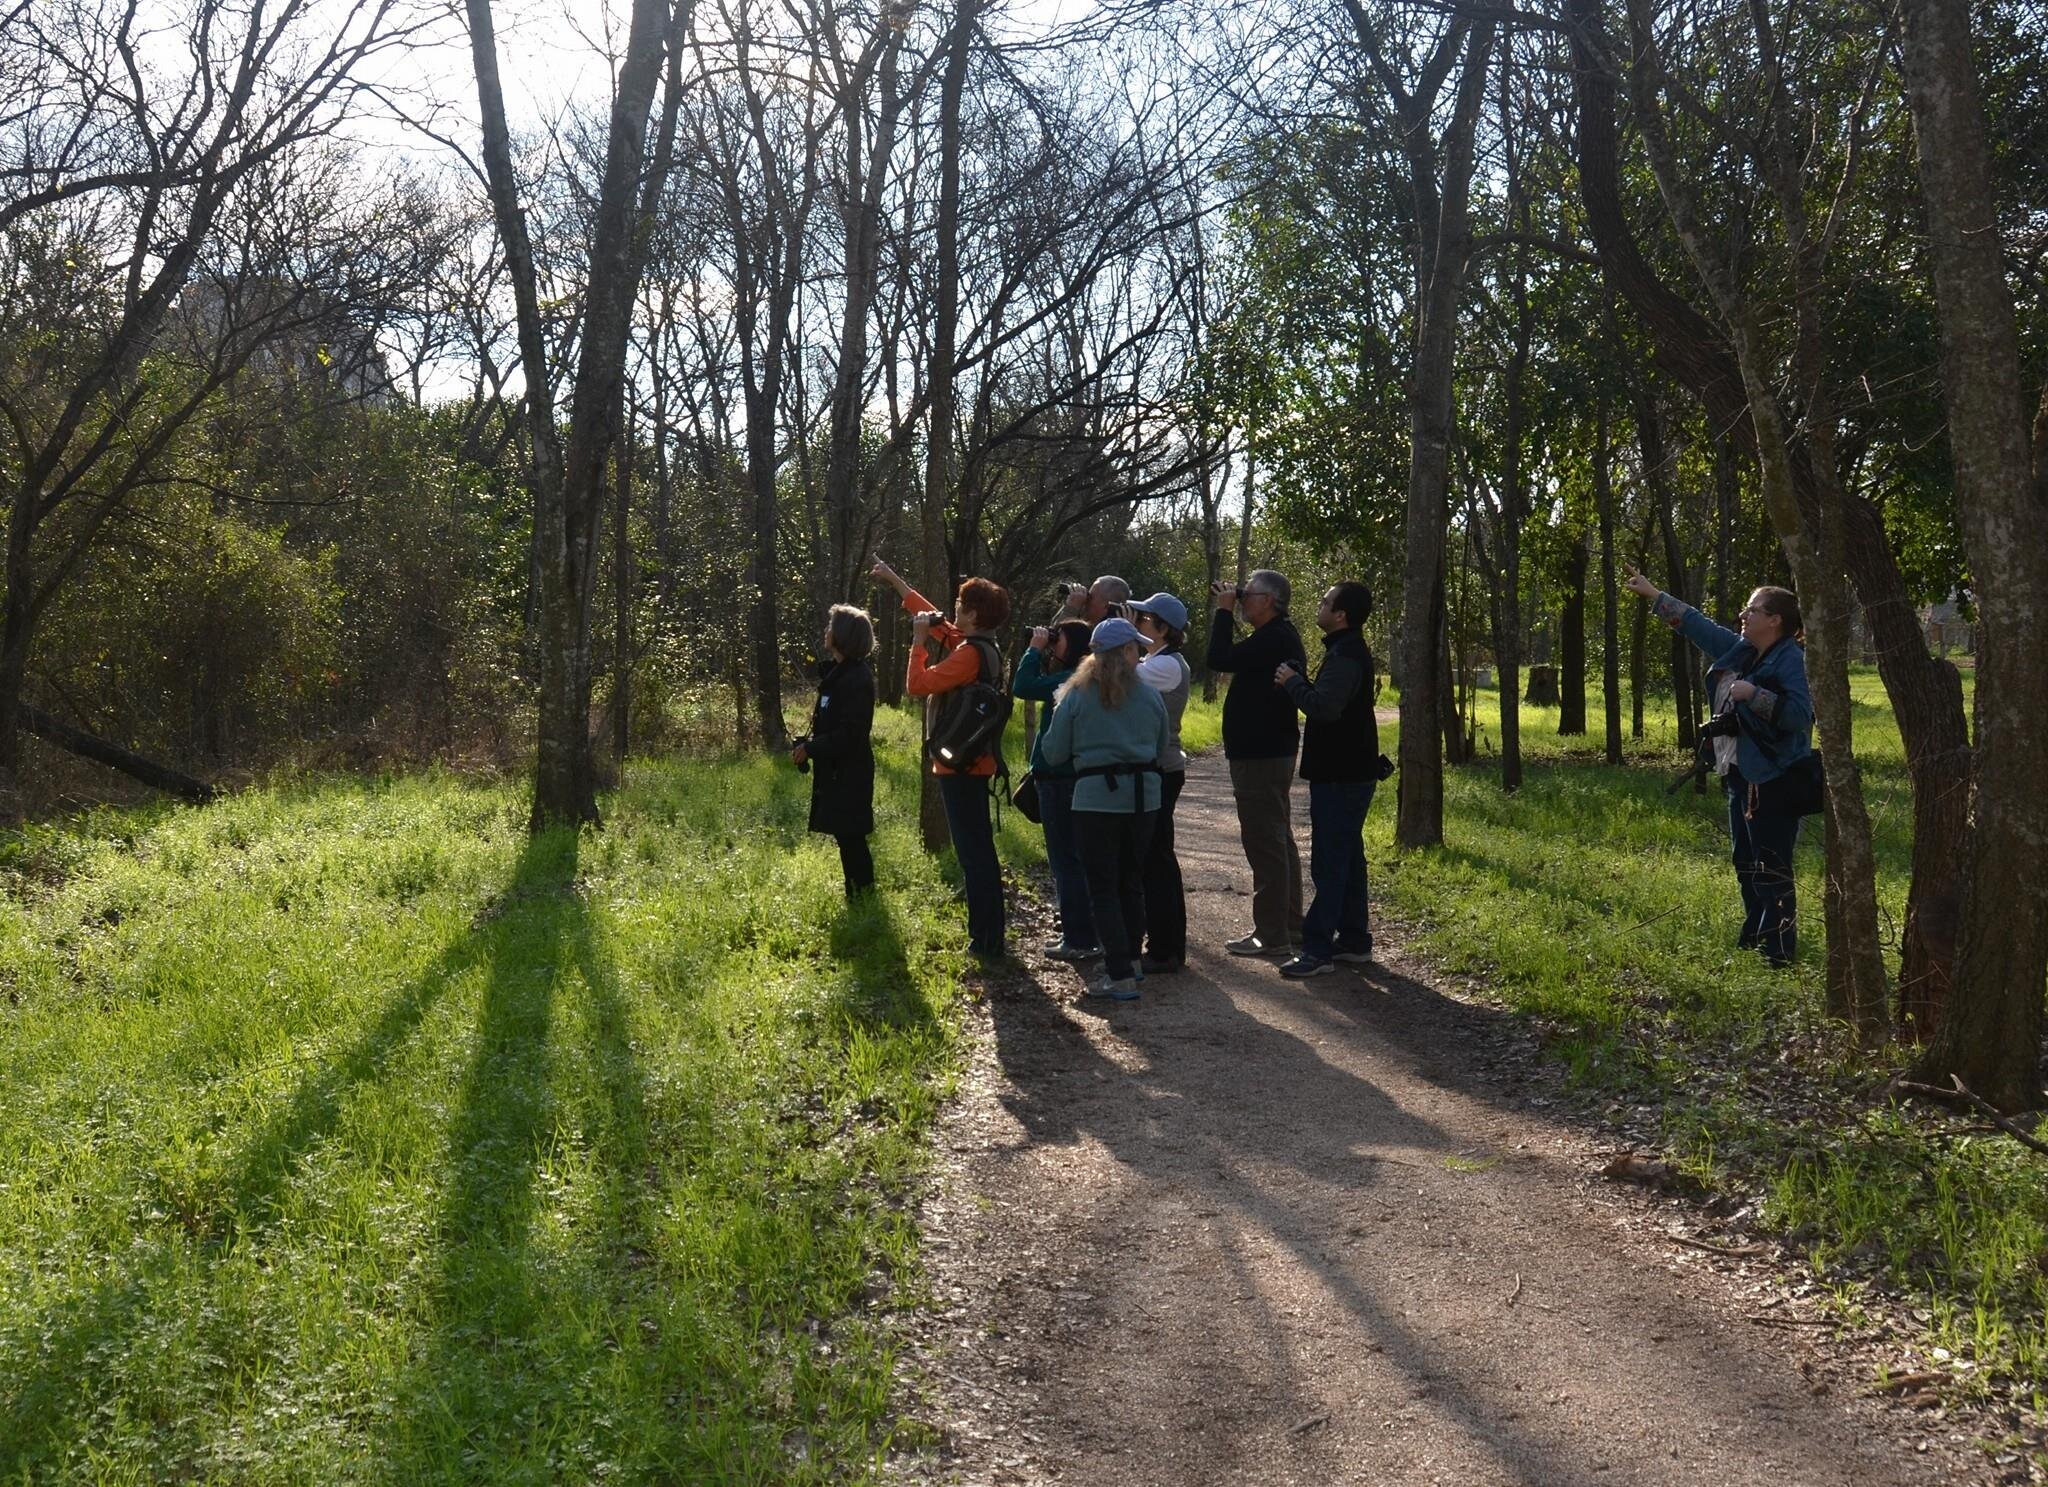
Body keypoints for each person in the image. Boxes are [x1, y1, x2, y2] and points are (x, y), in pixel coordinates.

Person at [1626, 569, 1813, 966]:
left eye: (1751, 610)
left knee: (1771, 867)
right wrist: (1654, 595)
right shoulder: (1744, 650)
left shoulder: (1790, 659)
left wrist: (1755, 695)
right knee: (1745, 862)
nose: (1743, 616)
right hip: (1739, 775)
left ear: (1774, 619)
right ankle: (1755, 937)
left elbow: (1799, 715)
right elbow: (1699, 628)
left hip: (1773, 779)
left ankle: (1780, 953)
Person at [870, 555, 1013, 960]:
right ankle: (987, 937)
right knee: (977, 852)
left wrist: (917, 645)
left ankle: (986, 942)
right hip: (974, 762)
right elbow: (933, 617)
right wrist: (894, 577)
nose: (953, 611)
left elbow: (918, 685)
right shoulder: (982, 646)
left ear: (973, 613)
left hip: (962, 766)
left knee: (974, 855)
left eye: (959, 606)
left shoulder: (968, 656)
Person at [1039, 617, 1171, 1001]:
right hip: (1145, 798)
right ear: (1126, 652)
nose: (1139, 653)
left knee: (1103, 886)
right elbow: (1162, 746)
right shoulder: (1150, 696)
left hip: (1096, 799)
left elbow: (1053, 751)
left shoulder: (1076, 695)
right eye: (1135, 647)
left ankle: (1118, 974)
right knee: (1131, 881)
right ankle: (1129, 959)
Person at [1273, 582, 1380, 978]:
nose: (1319, 604)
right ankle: (1353, 941)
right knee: (1348, 858)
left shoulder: (1346, 653)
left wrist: (1291, 683)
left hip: (1342, 774)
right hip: (1349, 771)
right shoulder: (1344, 649)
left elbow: (1325, 708)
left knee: (1331, 862)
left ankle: (1317, 951)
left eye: (1324, 601)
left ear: (1341, 615)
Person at [1207, 569, 1309, 958]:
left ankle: (1271, 934)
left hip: (1261, 755)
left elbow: (1218, 658)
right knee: (1277, 838)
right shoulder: (1276, 636)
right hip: (1268, 751)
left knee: (1264, 842)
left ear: (1269, 601)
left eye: (1248, 592)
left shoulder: (1275, 638)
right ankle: (1289, 925)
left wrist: (1222, 611)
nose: (1242, 596)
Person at [1016, 619, 1100, 962]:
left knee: (1065, 860)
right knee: (1077, 858)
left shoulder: (1070, 680)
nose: (1053, 642)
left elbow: (1023, 686)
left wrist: (1034, 650)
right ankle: (1084, 929)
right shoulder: (1087, 677)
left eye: (1058, 637)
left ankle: (1078, 937)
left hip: (1058, 779)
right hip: (1075, 777)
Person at [793, 604, 878, 899]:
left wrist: (812, 748)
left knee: (851, 836)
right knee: (846, 837)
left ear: (843, 635)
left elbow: (851, 733)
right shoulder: (838, 675)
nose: (826, 631)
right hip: (837, 771)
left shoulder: (857, 679)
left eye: (831, 626)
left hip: (850, 772)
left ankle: (863, 899)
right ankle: (856, 897)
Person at [1129, 592, 1192, 973]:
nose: (1135, 624)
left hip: (1162, 770)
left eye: (1142, 619)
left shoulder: (1167, 666)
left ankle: (1166, 948)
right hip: (1159, 769)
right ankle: (1164, 944)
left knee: (1157, 860)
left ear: (1163, 628)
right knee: (1154, 858)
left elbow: (1116, 671)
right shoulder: (1157, 660)